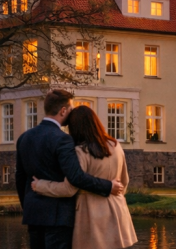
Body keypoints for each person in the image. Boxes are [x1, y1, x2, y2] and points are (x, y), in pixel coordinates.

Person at [16, 90, 124, 249]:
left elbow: (20, 177)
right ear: (63, 111)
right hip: (59, 217)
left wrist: (28, 207)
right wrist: (108, 186)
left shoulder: (24, 137)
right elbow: (76, 177)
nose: (72, 112)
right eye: (71, 108)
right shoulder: (63, 139)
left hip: (33, 214)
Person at [31, 106, 137, 249]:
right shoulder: (115, 145)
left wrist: (40, 185)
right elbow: (124, 181)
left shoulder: (81, 151)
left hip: (91, 215)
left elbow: (69, 188)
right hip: (118, 212)